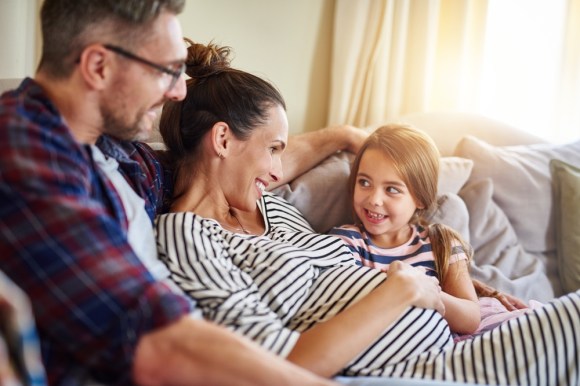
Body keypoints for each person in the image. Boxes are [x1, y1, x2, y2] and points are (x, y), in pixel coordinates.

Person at [156, 39, 580, 384]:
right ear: (224, 141)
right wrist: (401, 293)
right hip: (427, 370)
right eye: (273, 150)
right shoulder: (188, 238)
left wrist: (343, 135)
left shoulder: (260, 201)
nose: (279, 170)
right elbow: (282, 365)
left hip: (453, 346)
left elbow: (276, 160)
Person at [0, 1, 362, 385]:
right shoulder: (23, 153)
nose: (177, 91)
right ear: (98, 67)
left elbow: (233, 165)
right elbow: (158, 347)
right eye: (167, 71)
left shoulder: (122, 158)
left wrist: (340, 137)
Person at [328, 124, 480, 335]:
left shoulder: (441, 243)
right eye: (364, 182)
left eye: (392, 189)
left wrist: (423, 291)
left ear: (419, 197)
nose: (374, 199)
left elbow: (471, 318)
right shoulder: (346, 241)